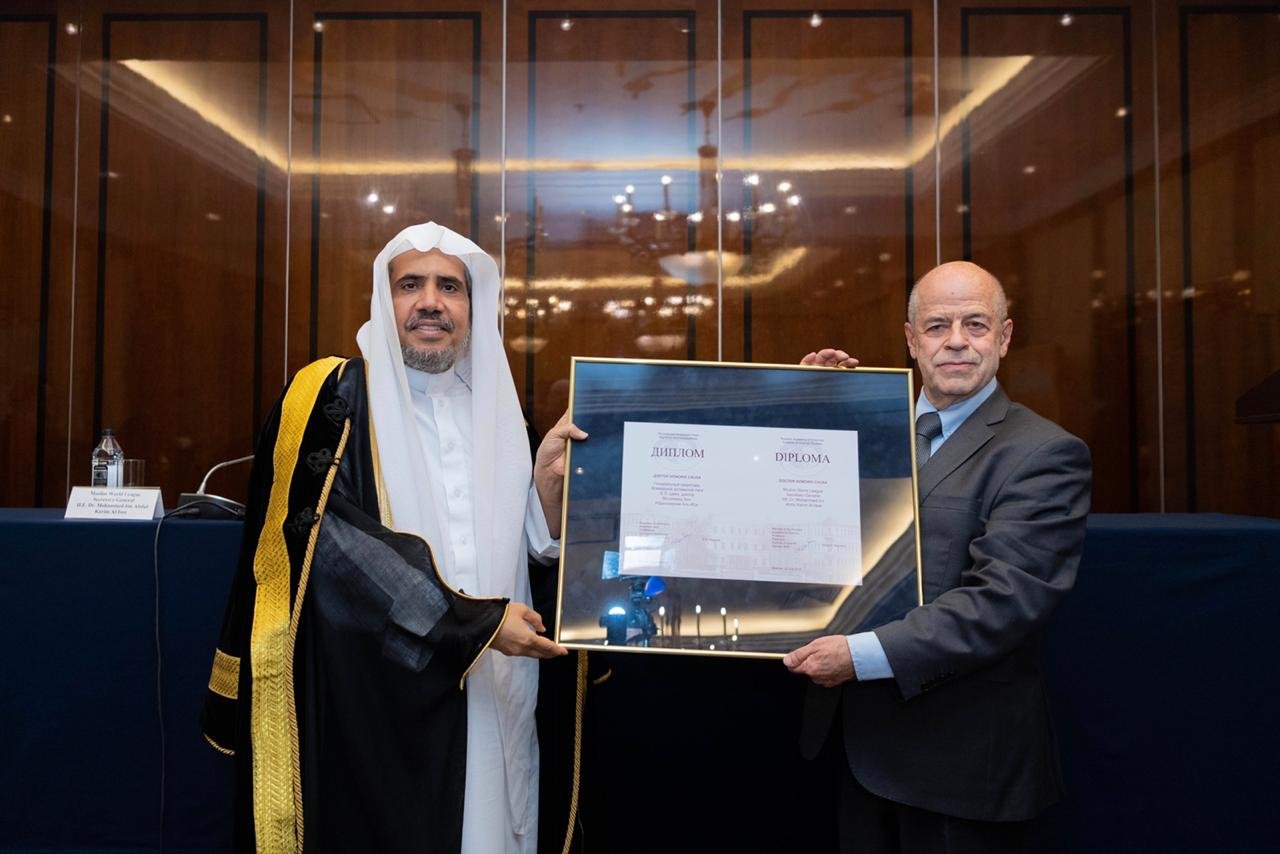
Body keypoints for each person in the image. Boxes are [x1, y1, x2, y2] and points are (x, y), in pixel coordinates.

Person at [200, 222, 582, 854]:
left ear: (473, 306)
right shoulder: (333, 400)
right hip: (384, 692)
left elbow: (525, 552)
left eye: (450, 287)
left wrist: (546, 488)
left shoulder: (501, 413)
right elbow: (328, 543)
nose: (430, 302)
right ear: (385, 297)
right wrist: (472, 624)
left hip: (502, 686)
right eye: (411, 285)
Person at [784, 261, 1092, 853]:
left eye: (976, 324)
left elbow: (1002, 602)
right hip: (848, 753)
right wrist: (808, 417)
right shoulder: (865, 432)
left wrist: (859, 656)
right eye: (937, 325)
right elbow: (792, 529)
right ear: (911, 339)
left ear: (1004, 337)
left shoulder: (1045, 453)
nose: (956, 341)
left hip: (959, 768)